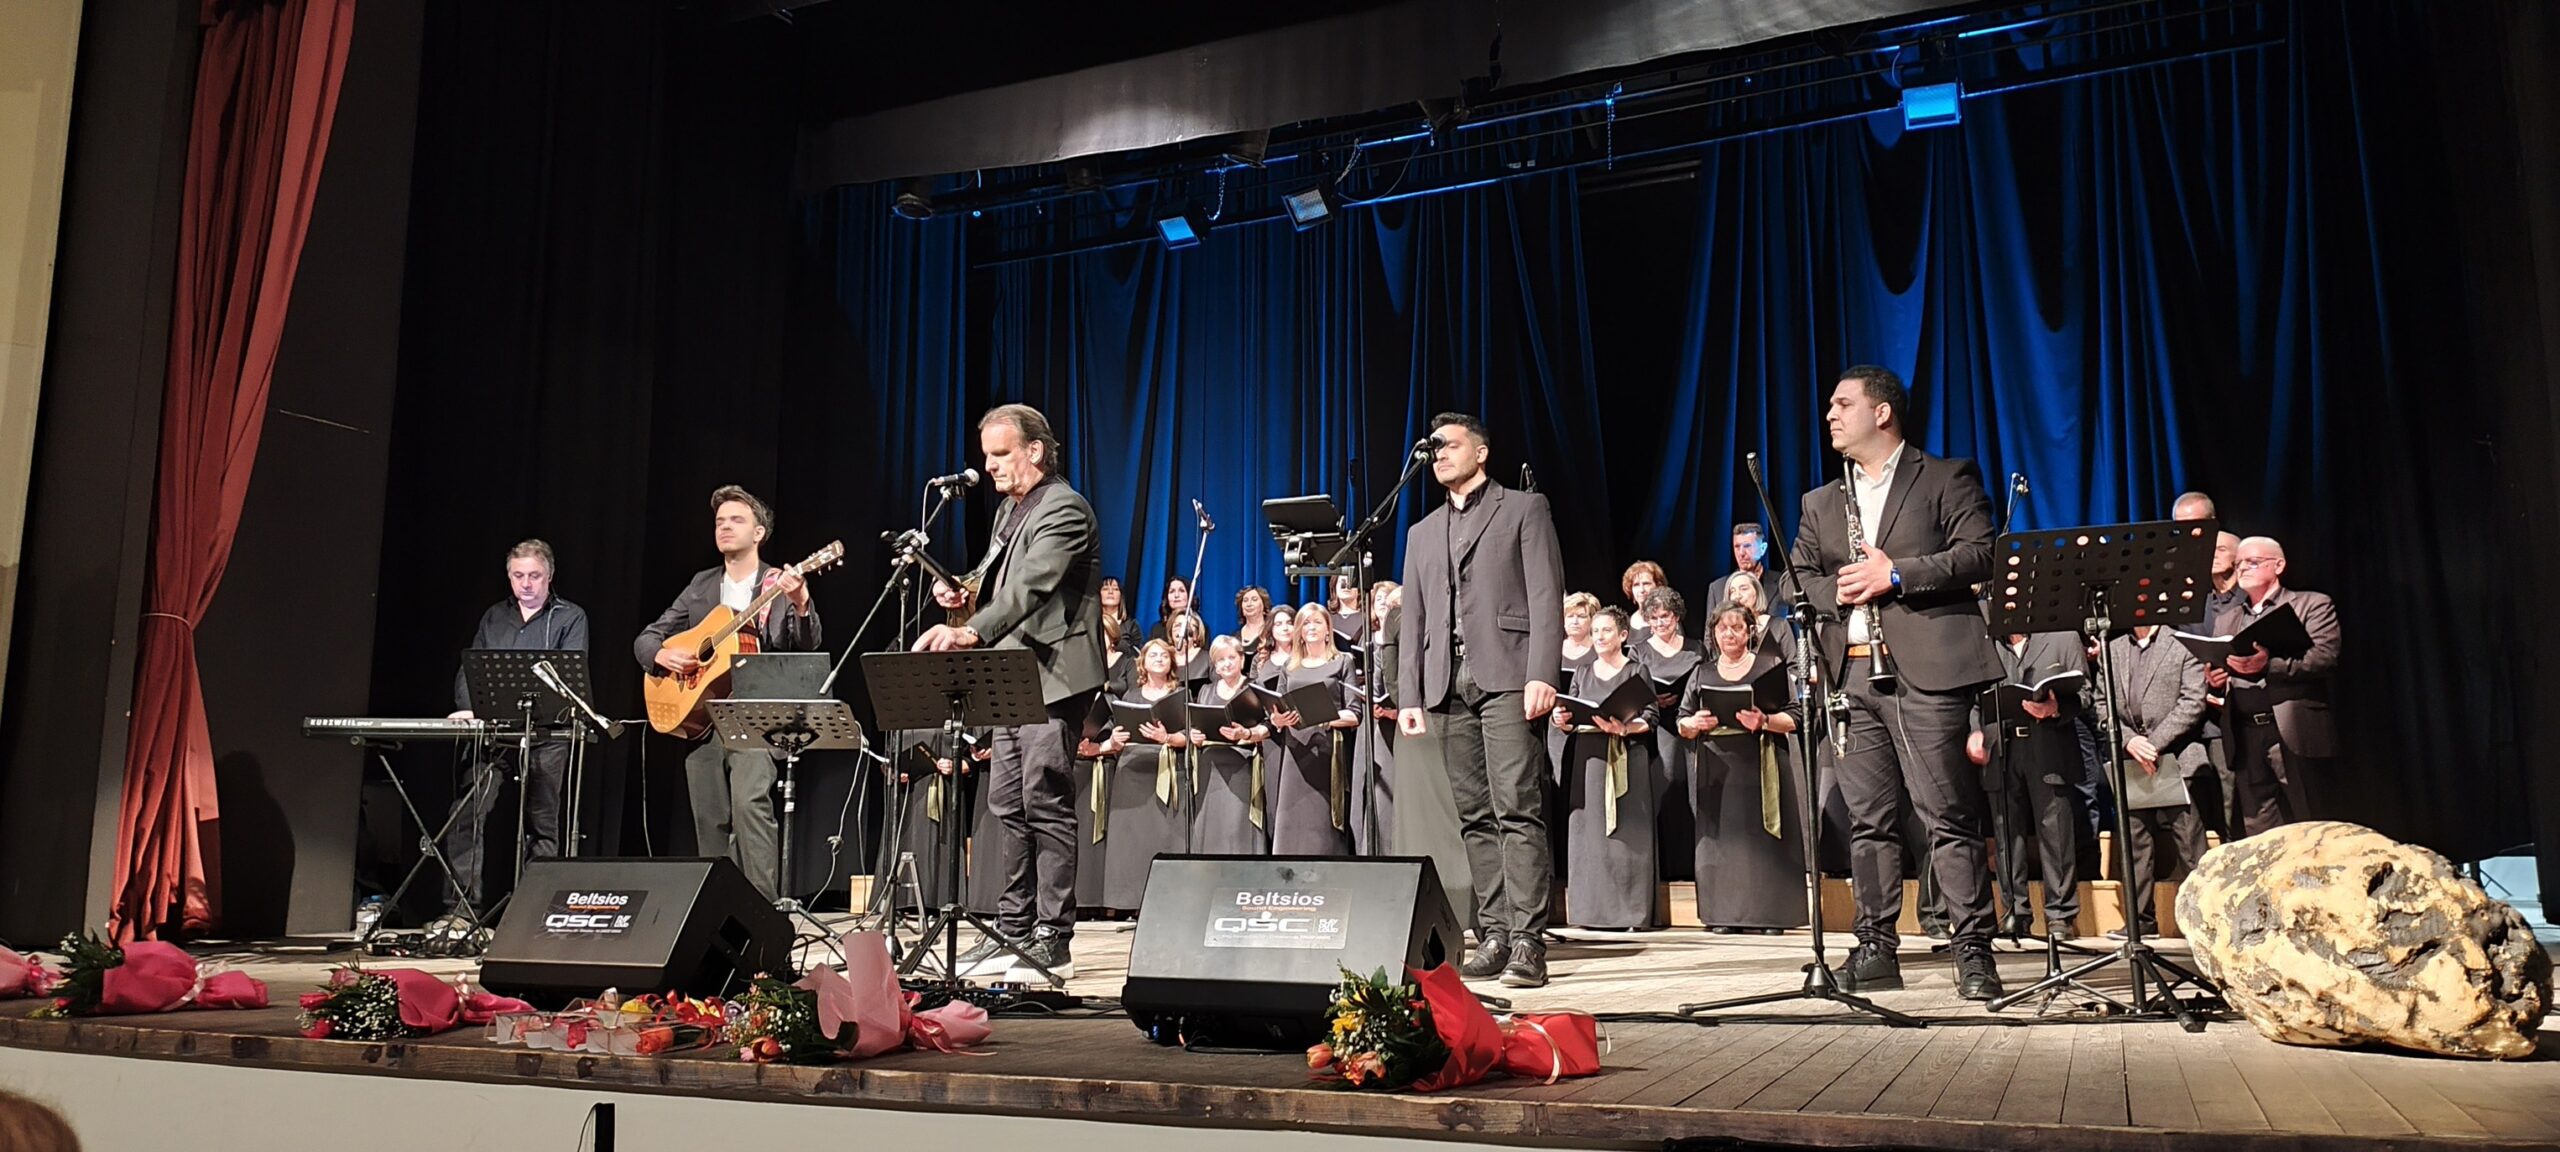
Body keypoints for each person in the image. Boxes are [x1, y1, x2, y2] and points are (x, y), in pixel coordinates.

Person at [1788, 366, 2006, 1000]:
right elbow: (1797, 579)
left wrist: (1897, 576)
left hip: (1926, 672)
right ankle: (1876, 948)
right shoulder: (1821, 501)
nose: (1830, 414)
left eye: (1843, 404)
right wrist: (1840, 590)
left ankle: (1973, 948)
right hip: (1852, 675)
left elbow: (1982, 552)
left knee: (1947, 814)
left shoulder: (1944, 477)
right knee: (1868, 821)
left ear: (1881, 413)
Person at [914, 403, 1106, 983]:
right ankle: (1013, 927)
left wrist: (970, 630)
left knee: (1044, 799)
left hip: (1055, 673)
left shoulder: (1065, 508)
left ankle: (1053, 935)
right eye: (987, 456)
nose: (991, 466)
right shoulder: (1008, 511)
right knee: (1006, 803)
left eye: (1001, 454)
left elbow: (1031, 585)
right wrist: (961, 592)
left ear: (1035, 451)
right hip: (1012, 672)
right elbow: (994, 578)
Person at [1397, 412, 1566, 988]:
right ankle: (1494, 932)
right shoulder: (1422, 532)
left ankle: (1528, 940)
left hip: (1509, 674)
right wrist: (1410, 691)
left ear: (1482, 452)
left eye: (1449, 444)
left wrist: (1543, 672)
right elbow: (1414, 619)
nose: (1440, 453)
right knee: (1473, 815)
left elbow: (1546, 594)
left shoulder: (1523, 508)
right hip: (1446, 683)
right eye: (1434, 448)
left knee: (1516, 806)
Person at [636, 486, 820, 899]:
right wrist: (662, 656)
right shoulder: (701, 585)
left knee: (750, 807)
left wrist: (801, 602)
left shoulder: (775, 583)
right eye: (720, 521)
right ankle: (718, 911)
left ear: (759, 533)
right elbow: (647, 638)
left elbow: (805, 645)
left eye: (736, 520)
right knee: (709, 819)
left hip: (754, 716)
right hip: (702, 717)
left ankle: (762, 911)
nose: (724, 527)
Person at [438, 539, 588, 924]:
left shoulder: (570, 617)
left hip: (546, 737)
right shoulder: (494, 616)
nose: (526, 584)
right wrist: (469, 708)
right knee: (467, 813)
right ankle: (460, 912)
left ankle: (535, 915)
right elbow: (470, 670)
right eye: (518, 575)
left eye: (534, 576)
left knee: (542, 825)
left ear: (549, 576)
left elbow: (571, 678)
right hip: (495, 736)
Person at [1677, 600, 1806, 933]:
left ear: (1750, 631)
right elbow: (1682, 721)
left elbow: (1795, 716)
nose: (1729, 634)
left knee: (1762, 839)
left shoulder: (1769, 666)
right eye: (1722, 628)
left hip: (1761, 761)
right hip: (1717, 766)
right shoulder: (1703, 672)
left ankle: (1770, 915)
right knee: (1723, 841)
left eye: (1736, 628)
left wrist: (1765, 721)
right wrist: (1695, 723)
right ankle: (1725, 914)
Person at [2207, 536, 2340, 835]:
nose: (2243, 569)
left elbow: (2324, 657)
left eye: (2252, 562)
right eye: (2238, 564)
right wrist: (2216, 682)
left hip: (2292, 730)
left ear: (2278, 566)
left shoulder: (2311, 604)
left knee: (2311, 823)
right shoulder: (2227, 619)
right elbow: (2223, 669)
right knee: (2260, 829)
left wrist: (2268, 665)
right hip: (2245, 733)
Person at [1967, 631, 2091, 943]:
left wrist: (2056, 708)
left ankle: (2060, 914)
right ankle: (2015, 911)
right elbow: (1973, 698)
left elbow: (2086, 694)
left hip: (2049, 747)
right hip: (2002, 748)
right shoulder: (1986, 641)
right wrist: (1975, 732)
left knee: (2056, 834)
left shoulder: (2063, 637)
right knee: (2007, 835)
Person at [1550, 607, 1659, 929]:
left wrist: (1625, 728)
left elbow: (1651, 716)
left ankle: (1630, 913)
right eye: (1595, 630)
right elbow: (1570, 714)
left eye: (1606, 630)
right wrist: (1561, 719)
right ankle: (1589, 912)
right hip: (1589, 760)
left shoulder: (1636, 671)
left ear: (1623, 635)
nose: (1599, 636)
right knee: (1589, 833)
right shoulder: (1583, 672)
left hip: (1627, 755)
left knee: (1627, 833)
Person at [2105, 624, 2213, 938]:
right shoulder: (2114, 648)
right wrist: (2130, 741)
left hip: (2177, 757)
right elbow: (2102, 705)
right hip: (2133, 760)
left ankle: (2205, 920)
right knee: (2135, 845)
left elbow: (2193, 702)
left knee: (2189, 844)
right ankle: (2140, 920)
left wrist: (2153, 744)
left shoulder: (2181, 643)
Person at [1102, 640, 1191, 912]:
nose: (1159, 658)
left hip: (1168, 770)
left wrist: (1168, 738)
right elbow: (1118, 732)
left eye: (1164, 655)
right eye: (1153, 655)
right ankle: (1130, 902)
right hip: (1132, 771)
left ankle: (1168, 900)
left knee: (1168, 835)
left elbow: (1191, 735)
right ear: (1143, 663)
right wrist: (1115, 740)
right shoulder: (1131, 695)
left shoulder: (1182, 694)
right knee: (1133, 839)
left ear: (1172, 662)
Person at [1269, 603, 1361, 855]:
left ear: (1328, 629)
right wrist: (1278, 720)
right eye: (1306, 623)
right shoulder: (1289, 666)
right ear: (1299, 631)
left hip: (1327, 750)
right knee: (1292, 817)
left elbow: (1354, 714)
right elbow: (1276, 711)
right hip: (1295, 750)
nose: (1311, 627)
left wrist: (1322, 718)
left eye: (1317, 622)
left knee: (1322, 821)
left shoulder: (1342, 661)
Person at [1636, 587, 1702, 883]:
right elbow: (1631, 688)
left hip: (1690, 728)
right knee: (1663, 788)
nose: (1660, 623)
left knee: (1691, 791)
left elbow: (1705, 681)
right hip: (1655, 731)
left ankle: (1692, 865)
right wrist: (1652, 697)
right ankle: (1665, 867)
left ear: (1676, 617)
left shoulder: (1695, 648)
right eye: (1654, 618)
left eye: (1665, 616)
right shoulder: (1639, 651)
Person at [1195, 635, 1273, 854]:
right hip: (1211, 767)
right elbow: (1198, 724)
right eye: (1221, 659)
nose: (1226, 663)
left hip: (1242, 763)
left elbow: (1269, 725)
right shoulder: (1206, 690)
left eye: (1231, 657)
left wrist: (1247, 733)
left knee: (1237, 826)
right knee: (1213, 825)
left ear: (1242, 659)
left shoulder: (1254, 688)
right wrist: (1195, 736)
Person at [1713, 523, 1784, 617]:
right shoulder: (1717, 588)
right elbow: (1711, 626)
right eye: (1737, 546)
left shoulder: (1782, 583)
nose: (1741, 553)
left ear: (1762, 549)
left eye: (1747, 546)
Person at [1235, 586, 1274, 667]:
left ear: (1264, 606)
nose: (1249, 604)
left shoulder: (1272, 635)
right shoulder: (1234, 637)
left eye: (1254, 599)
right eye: (1245, 600)